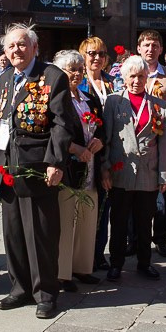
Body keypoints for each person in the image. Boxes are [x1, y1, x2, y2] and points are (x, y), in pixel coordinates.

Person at [0, 23, 80, 319]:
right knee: (13, 231)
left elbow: (62, 123)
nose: (16, 50)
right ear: (5, 51)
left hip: (39, 167)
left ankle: (45, 293)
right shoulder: (4, 78)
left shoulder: (52, 76)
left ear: (34, 47)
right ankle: (19, 288)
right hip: (8, 165)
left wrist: (56, 162)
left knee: (41, 232)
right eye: (11, 46)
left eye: (22, 44)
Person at [102, 55, 166, 282]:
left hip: (148, 172)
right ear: (124, 77)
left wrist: (164, 175)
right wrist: (105, 168)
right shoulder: (113, 102)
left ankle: (144, 262)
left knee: (145, 221)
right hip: (121, 171)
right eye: (132, 76)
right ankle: (116, 264)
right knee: (119, 221)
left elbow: (164, 143)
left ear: (147, 78)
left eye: (141, 76)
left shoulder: (159, 106)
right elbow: (107, 138)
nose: (136, 81)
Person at [53, 50, 105, 291]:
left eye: (79, 69)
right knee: (65, 221)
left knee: (87, 218)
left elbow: (102, 128)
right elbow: (51, 134)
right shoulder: (57, 100)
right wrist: (73, 148)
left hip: (91, 166)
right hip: (70, 169)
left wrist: (99, 142)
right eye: (70, 69)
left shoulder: (89, 99)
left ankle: (82, 268)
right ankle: (62, 274)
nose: (76, 73)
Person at [136, 30, 166, 258]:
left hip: (162, 141)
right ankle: (134, 240)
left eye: (155, 45)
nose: (150, 49)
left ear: (161, 49)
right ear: (139, 48)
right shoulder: (133, 71)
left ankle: (161, 239)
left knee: (163, 195)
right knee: (136, 195)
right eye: (146, 45)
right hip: (137, 143)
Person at [78, 36, 116, 271]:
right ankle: (82, 254)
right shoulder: (78, 84)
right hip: (85, 151)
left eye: (101, 54)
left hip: (109, 150)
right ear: (83, 57)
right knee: (85, 205)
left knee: (104, 205)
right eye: (91, 53)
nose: (97, 58)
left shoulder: (113, 83)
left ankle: (99, 253)